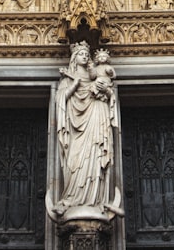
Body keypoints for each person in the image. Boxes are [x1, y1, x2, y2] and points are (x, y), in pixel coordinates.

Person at [51, 42, 121, 220]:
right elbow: (61, 99)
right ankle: (71, 200)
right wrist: (74, 83)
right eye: (81, 53)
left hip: (96, 116)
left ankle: (97, 200)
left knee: (96, 155)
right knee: (74, 161)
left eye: (86, 53)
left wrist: (107, 91)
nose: (84, 56)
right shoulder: (68, 78)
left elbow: (110, 94)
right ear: (75, 57)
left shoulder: (96, 75)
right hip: (76, 125)